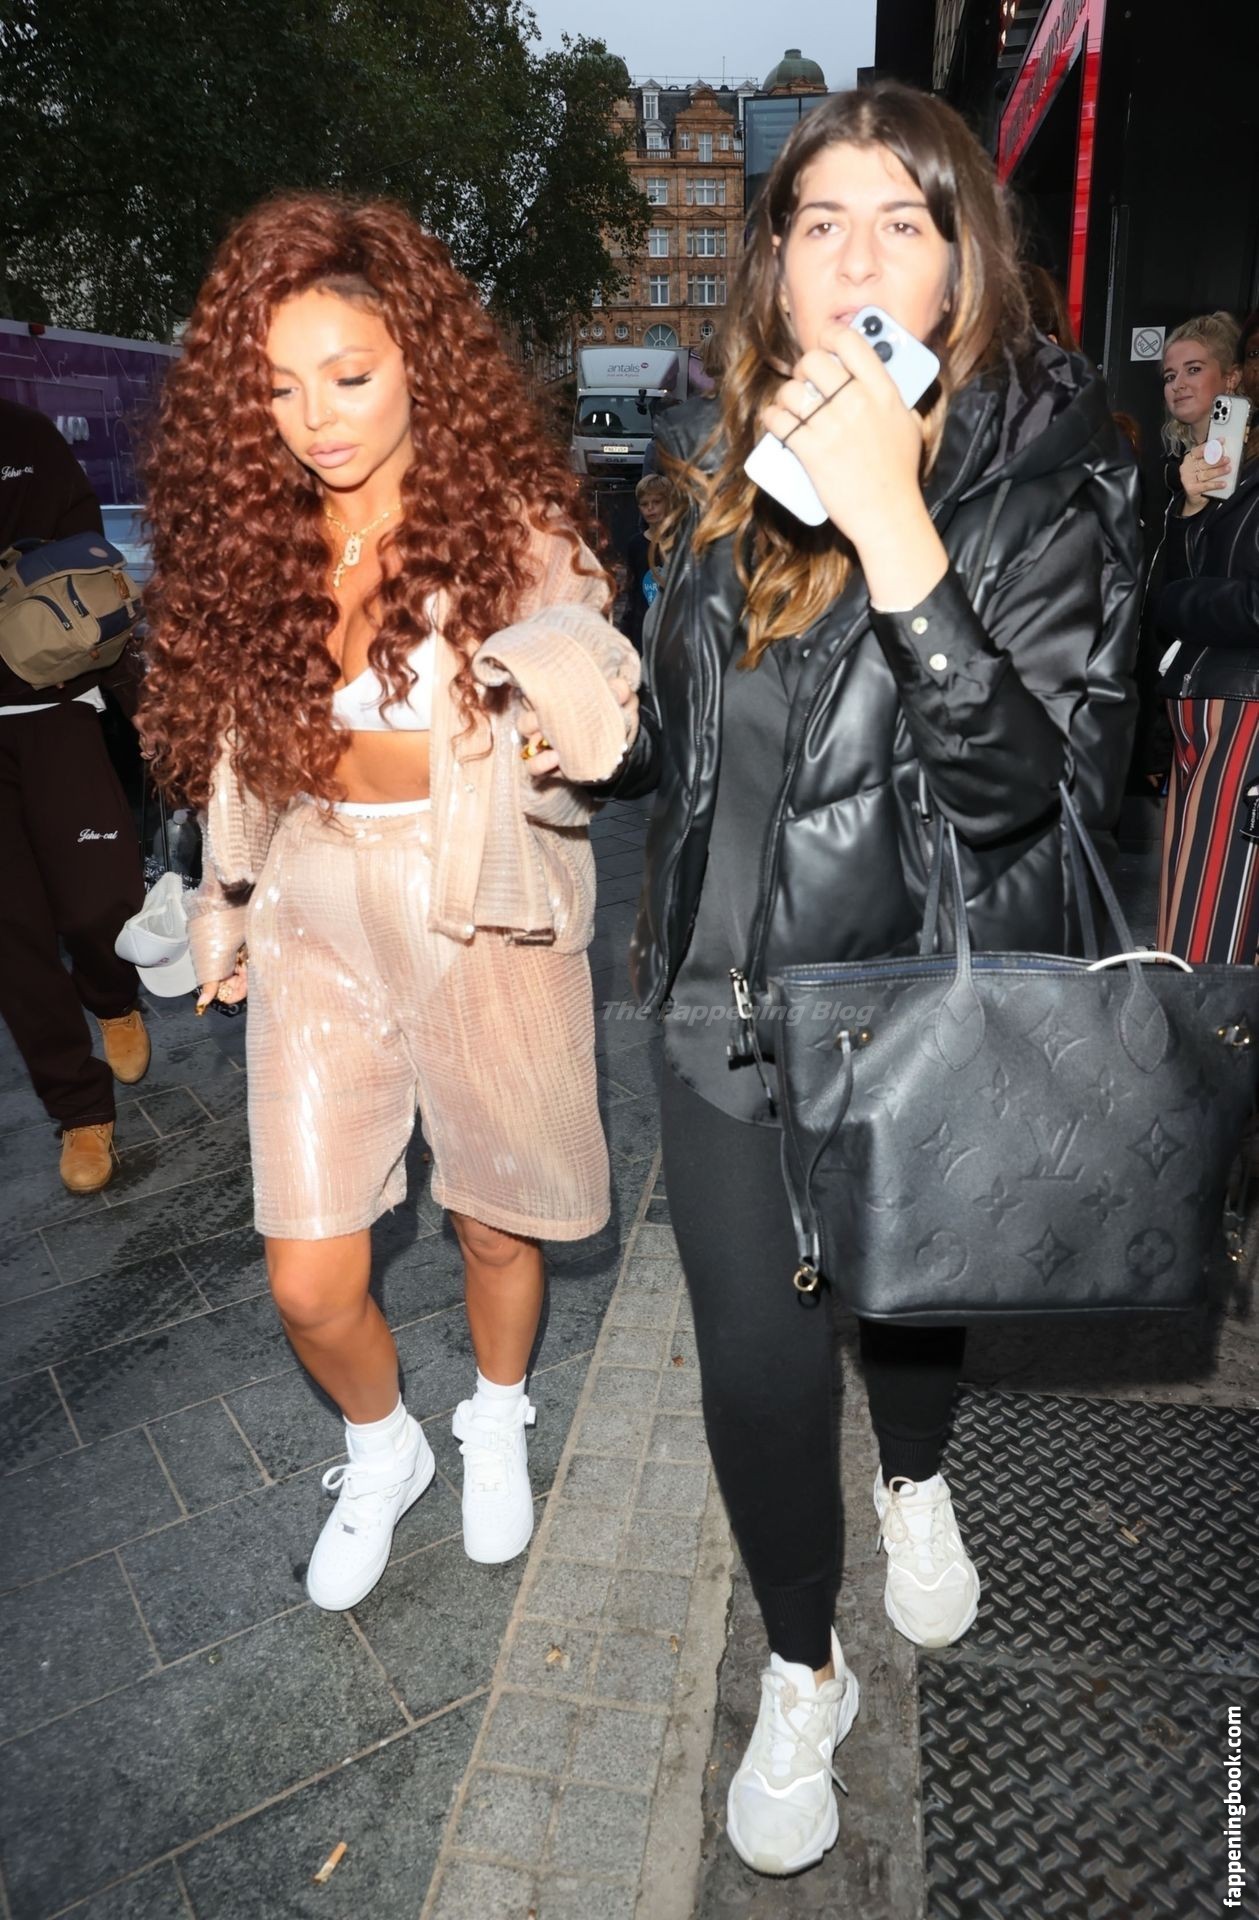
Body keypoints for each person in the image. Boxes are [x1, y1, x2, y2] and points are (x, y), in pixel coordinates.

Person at [528, 82, 1141, 1876]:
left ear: (959, 264)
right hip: (715, 1011)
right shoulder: (725, 461)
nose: (854, 258)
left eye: (899, 222)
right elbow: (699, 746)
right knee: (756, 1367)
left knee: (910, 1306)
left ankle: (918, 1474)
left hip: (911, 1010)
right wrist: (602, 736)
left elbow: (1026, 788)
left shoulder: (1055, 475)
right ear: (776, 265)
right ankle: (803, 1664)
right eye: (817, 223)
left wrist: (895, 525)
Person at [139, 194, 637, 1610]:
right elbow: (240, 758)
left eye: (347, 376)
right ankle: (383, 1446)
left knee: (495, 1221)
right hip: (314, 909)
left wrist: (551, 699)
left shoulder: (512, 531)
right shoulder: (262, 539)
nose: (316, 419)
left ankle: (495, 1411)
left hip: (476, 903)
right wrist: (223, 901)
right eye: (280, 389)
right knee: (307, 1277)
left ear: (420, 360)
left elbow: (591, 677)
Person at [0, 399, 150, 1194]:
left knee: (101, 902)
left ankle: (112, 995)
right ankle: (79, 1110)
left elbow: (89, 555)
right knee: (12, 941)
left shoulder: (24, 435)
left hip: (54, 704)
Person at [1155, 320, 1259, 961]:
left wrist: (1178, 605)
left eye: (1195, 369)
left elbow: (1178, 598)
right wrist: (1186, 506)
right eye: (1170, 374)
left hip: (1244, 702)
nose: (1178, 384)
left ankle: (1193, 1021)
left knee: (1208, 914)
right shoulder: (1187, 481)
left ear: (1234, 379)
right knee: (1183, 893)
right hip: (1192, 697)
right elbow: (1159, 589)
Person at [620, 473, 671, 651]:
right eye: (644, 504)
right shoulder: (635, 544)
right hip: (642, 627)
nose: (650, 508)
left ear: (668, 503)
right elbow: (633, 590)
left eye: (656, 502)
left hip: (671, 628)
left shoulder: (679, 543)